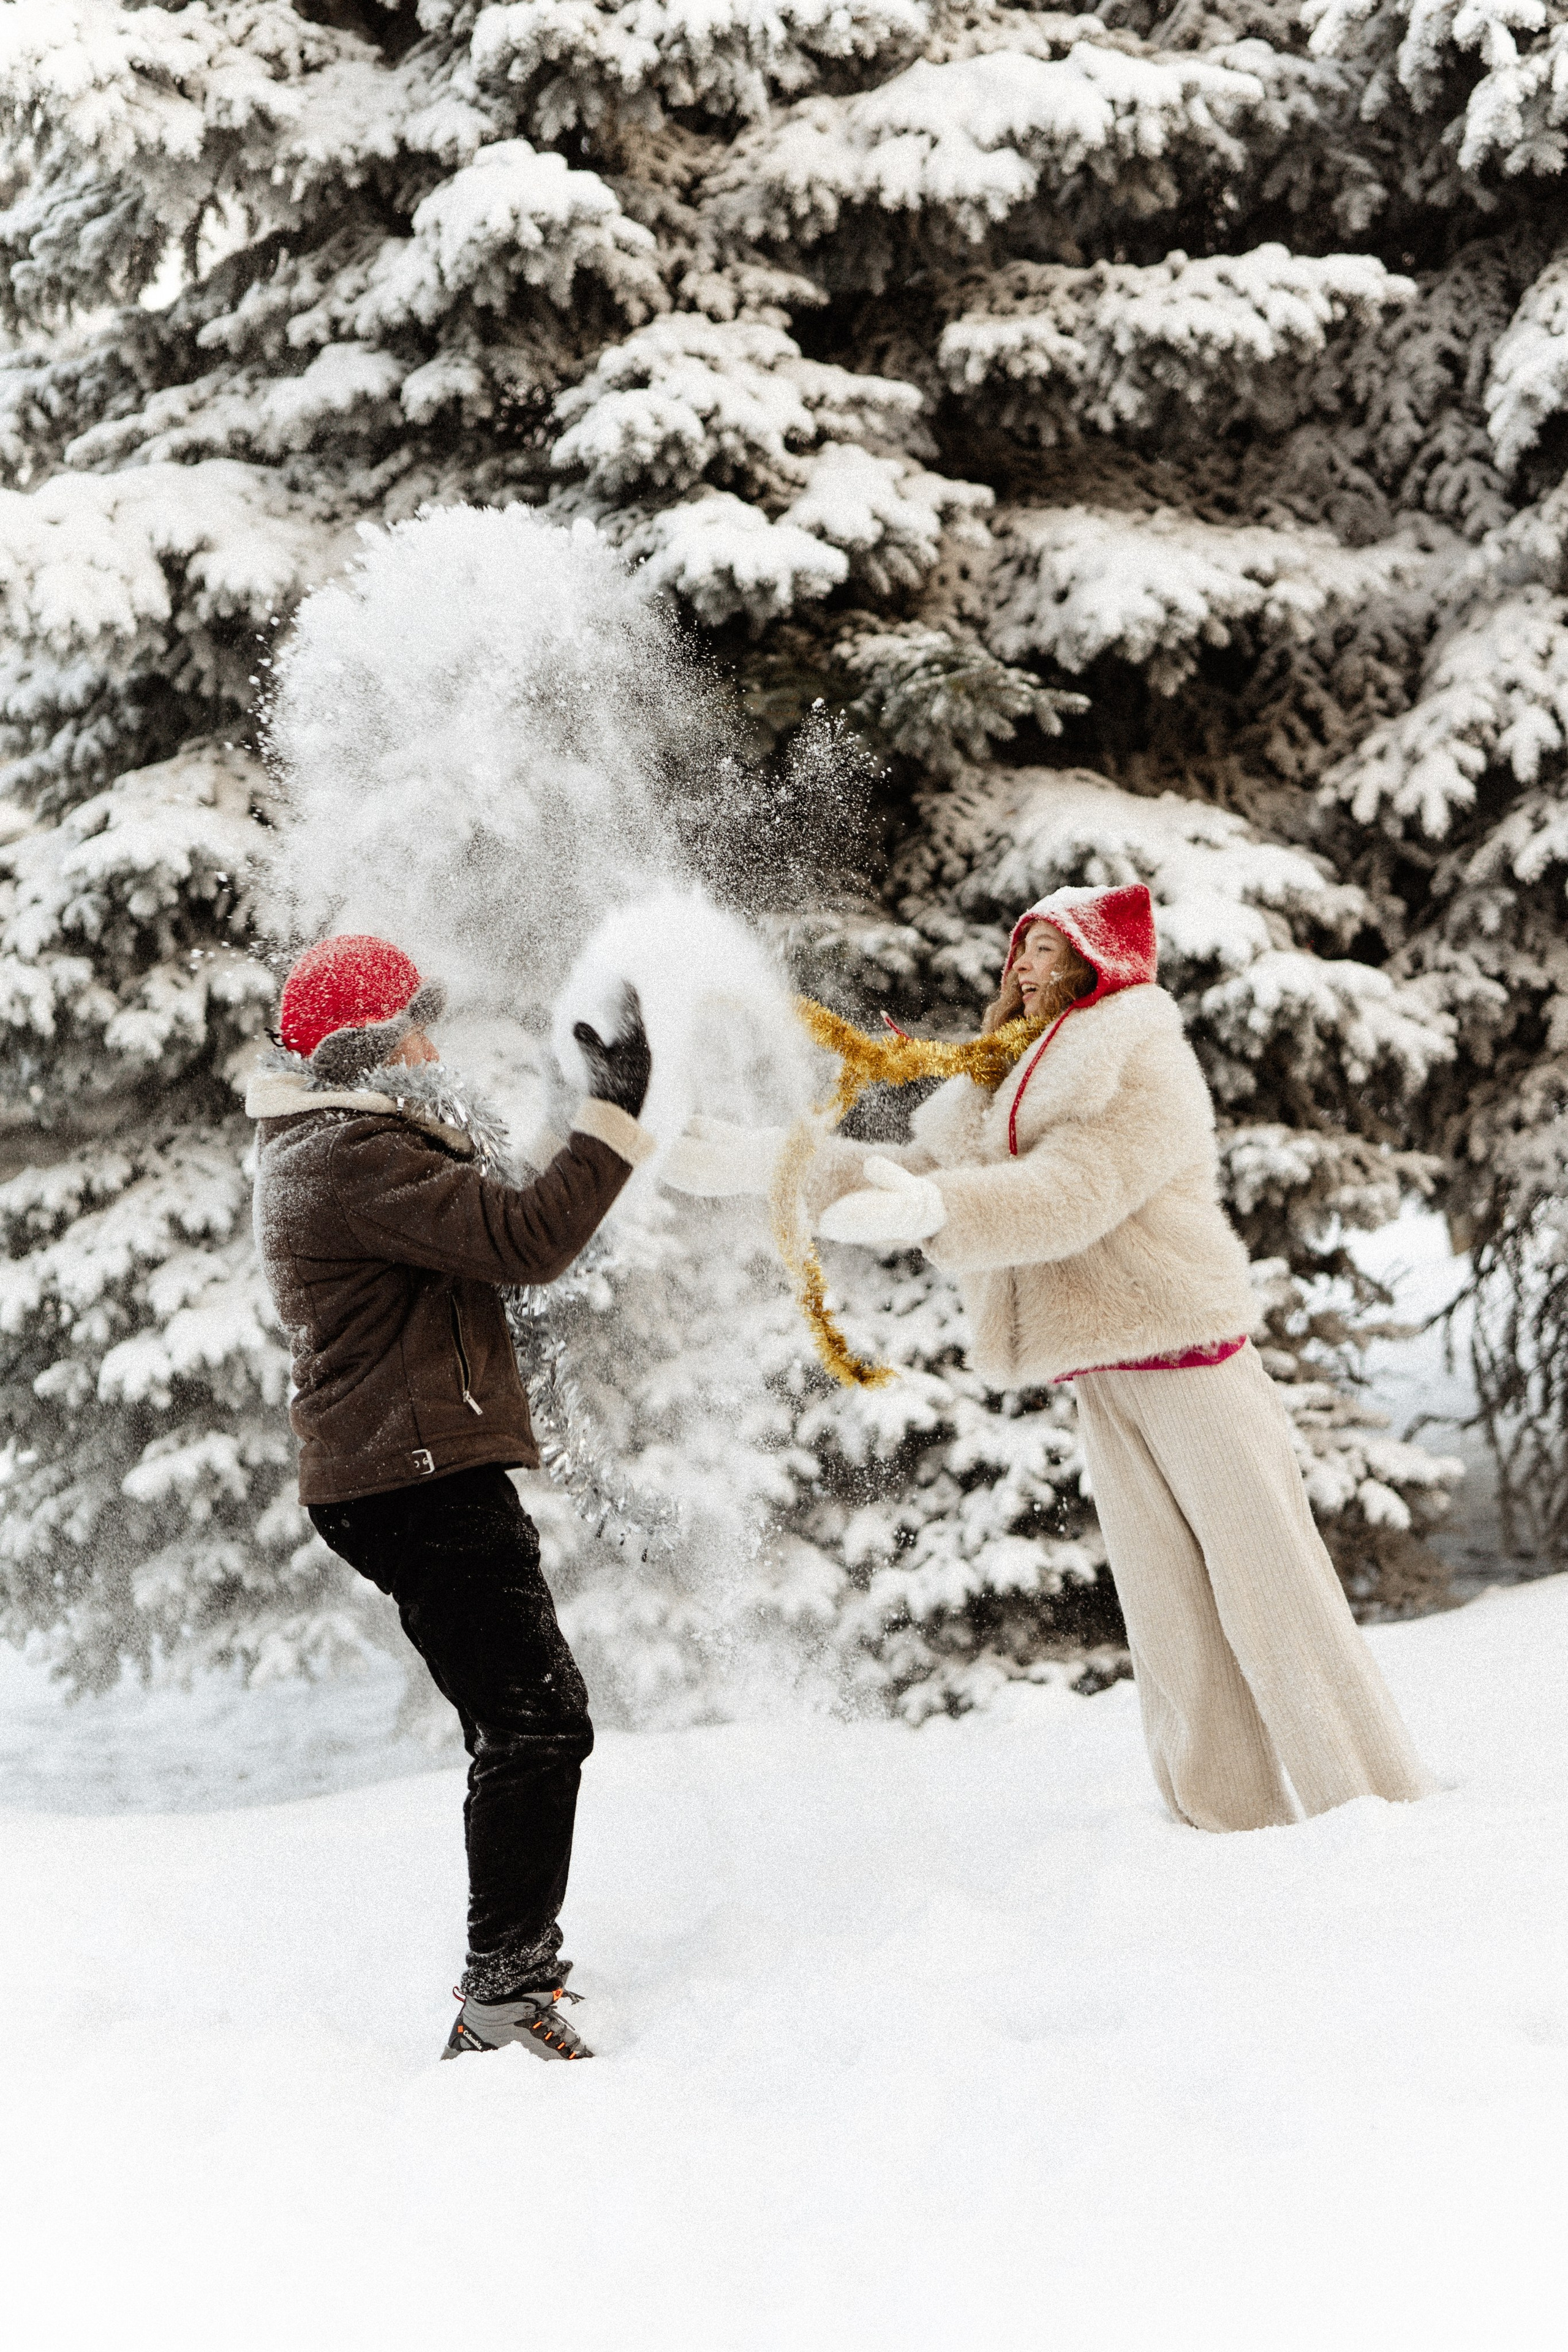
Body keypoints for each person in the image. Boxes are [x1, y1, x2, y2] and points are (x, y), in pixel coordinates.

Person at [665, 883, 1434, 1832]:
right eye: (1019, 949)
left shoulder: (1143, 1063)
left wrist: (947, 1212)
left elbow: (1080, 1188)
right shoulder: (1014, 1070)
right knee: (1167, 1617)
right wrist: (765, 1162)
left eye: (1044, 950)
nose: (1021, 967)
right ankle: (1226, 1823)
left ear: (1093, 960)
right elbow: (930, 1173)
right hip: (1105, 1376)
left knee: (1274, 1589)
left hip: (1193, 1364)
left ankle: (1372, 1803)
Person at [248, 933, 655, 2058]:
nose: (434, 1043)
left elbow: (501, 1202)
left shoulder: (339, 1146)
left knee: (518, 1721)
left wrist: (583, 1110)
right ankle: (504, 1996)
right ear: (372, 1050)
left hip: (403, 1473)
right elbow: (525, 1237)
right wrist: (616, 1110)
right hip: (412, 1479)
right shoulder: (346, 1158)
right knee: (537, 1723)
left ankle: (513, 1975)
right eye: (414, 1025)